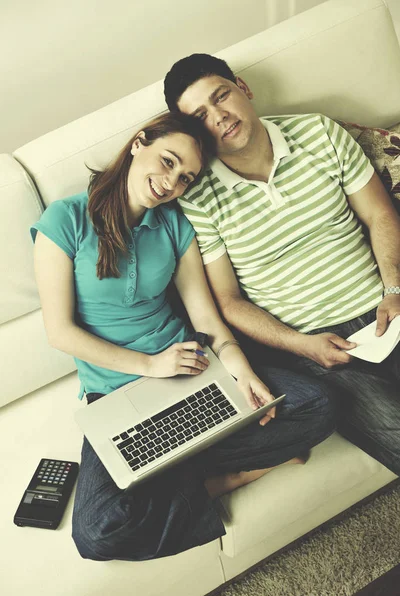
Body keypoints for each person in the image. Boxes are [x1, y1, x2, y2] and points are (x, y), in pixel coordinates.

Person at [31, 112, 334, 561]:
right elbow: (60, 333)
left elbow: (207, 320)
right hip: (116, 394)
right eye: (168, 161)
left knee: (320, 403)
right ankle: (226, 478)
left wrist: (242, 370)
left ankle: (174, 462)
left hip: (193, 371)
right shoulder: (66, 219)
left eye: (186, 177)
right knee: (97, 532)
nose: (171, 182)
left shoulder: (175, 224)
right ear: (139, 143)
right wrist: (151, 366)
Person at [163, 53, 400, 476]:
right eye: (201, 116)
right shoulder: (197, 196)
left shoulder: (318, 131)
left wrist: (394, 290)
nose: (219, 117)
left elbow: (380, 215)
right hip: (311, 346)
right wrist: (300, 344)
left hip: (386, 309)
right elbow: (229, 302)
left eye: (222, 97)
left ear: (244, 89)